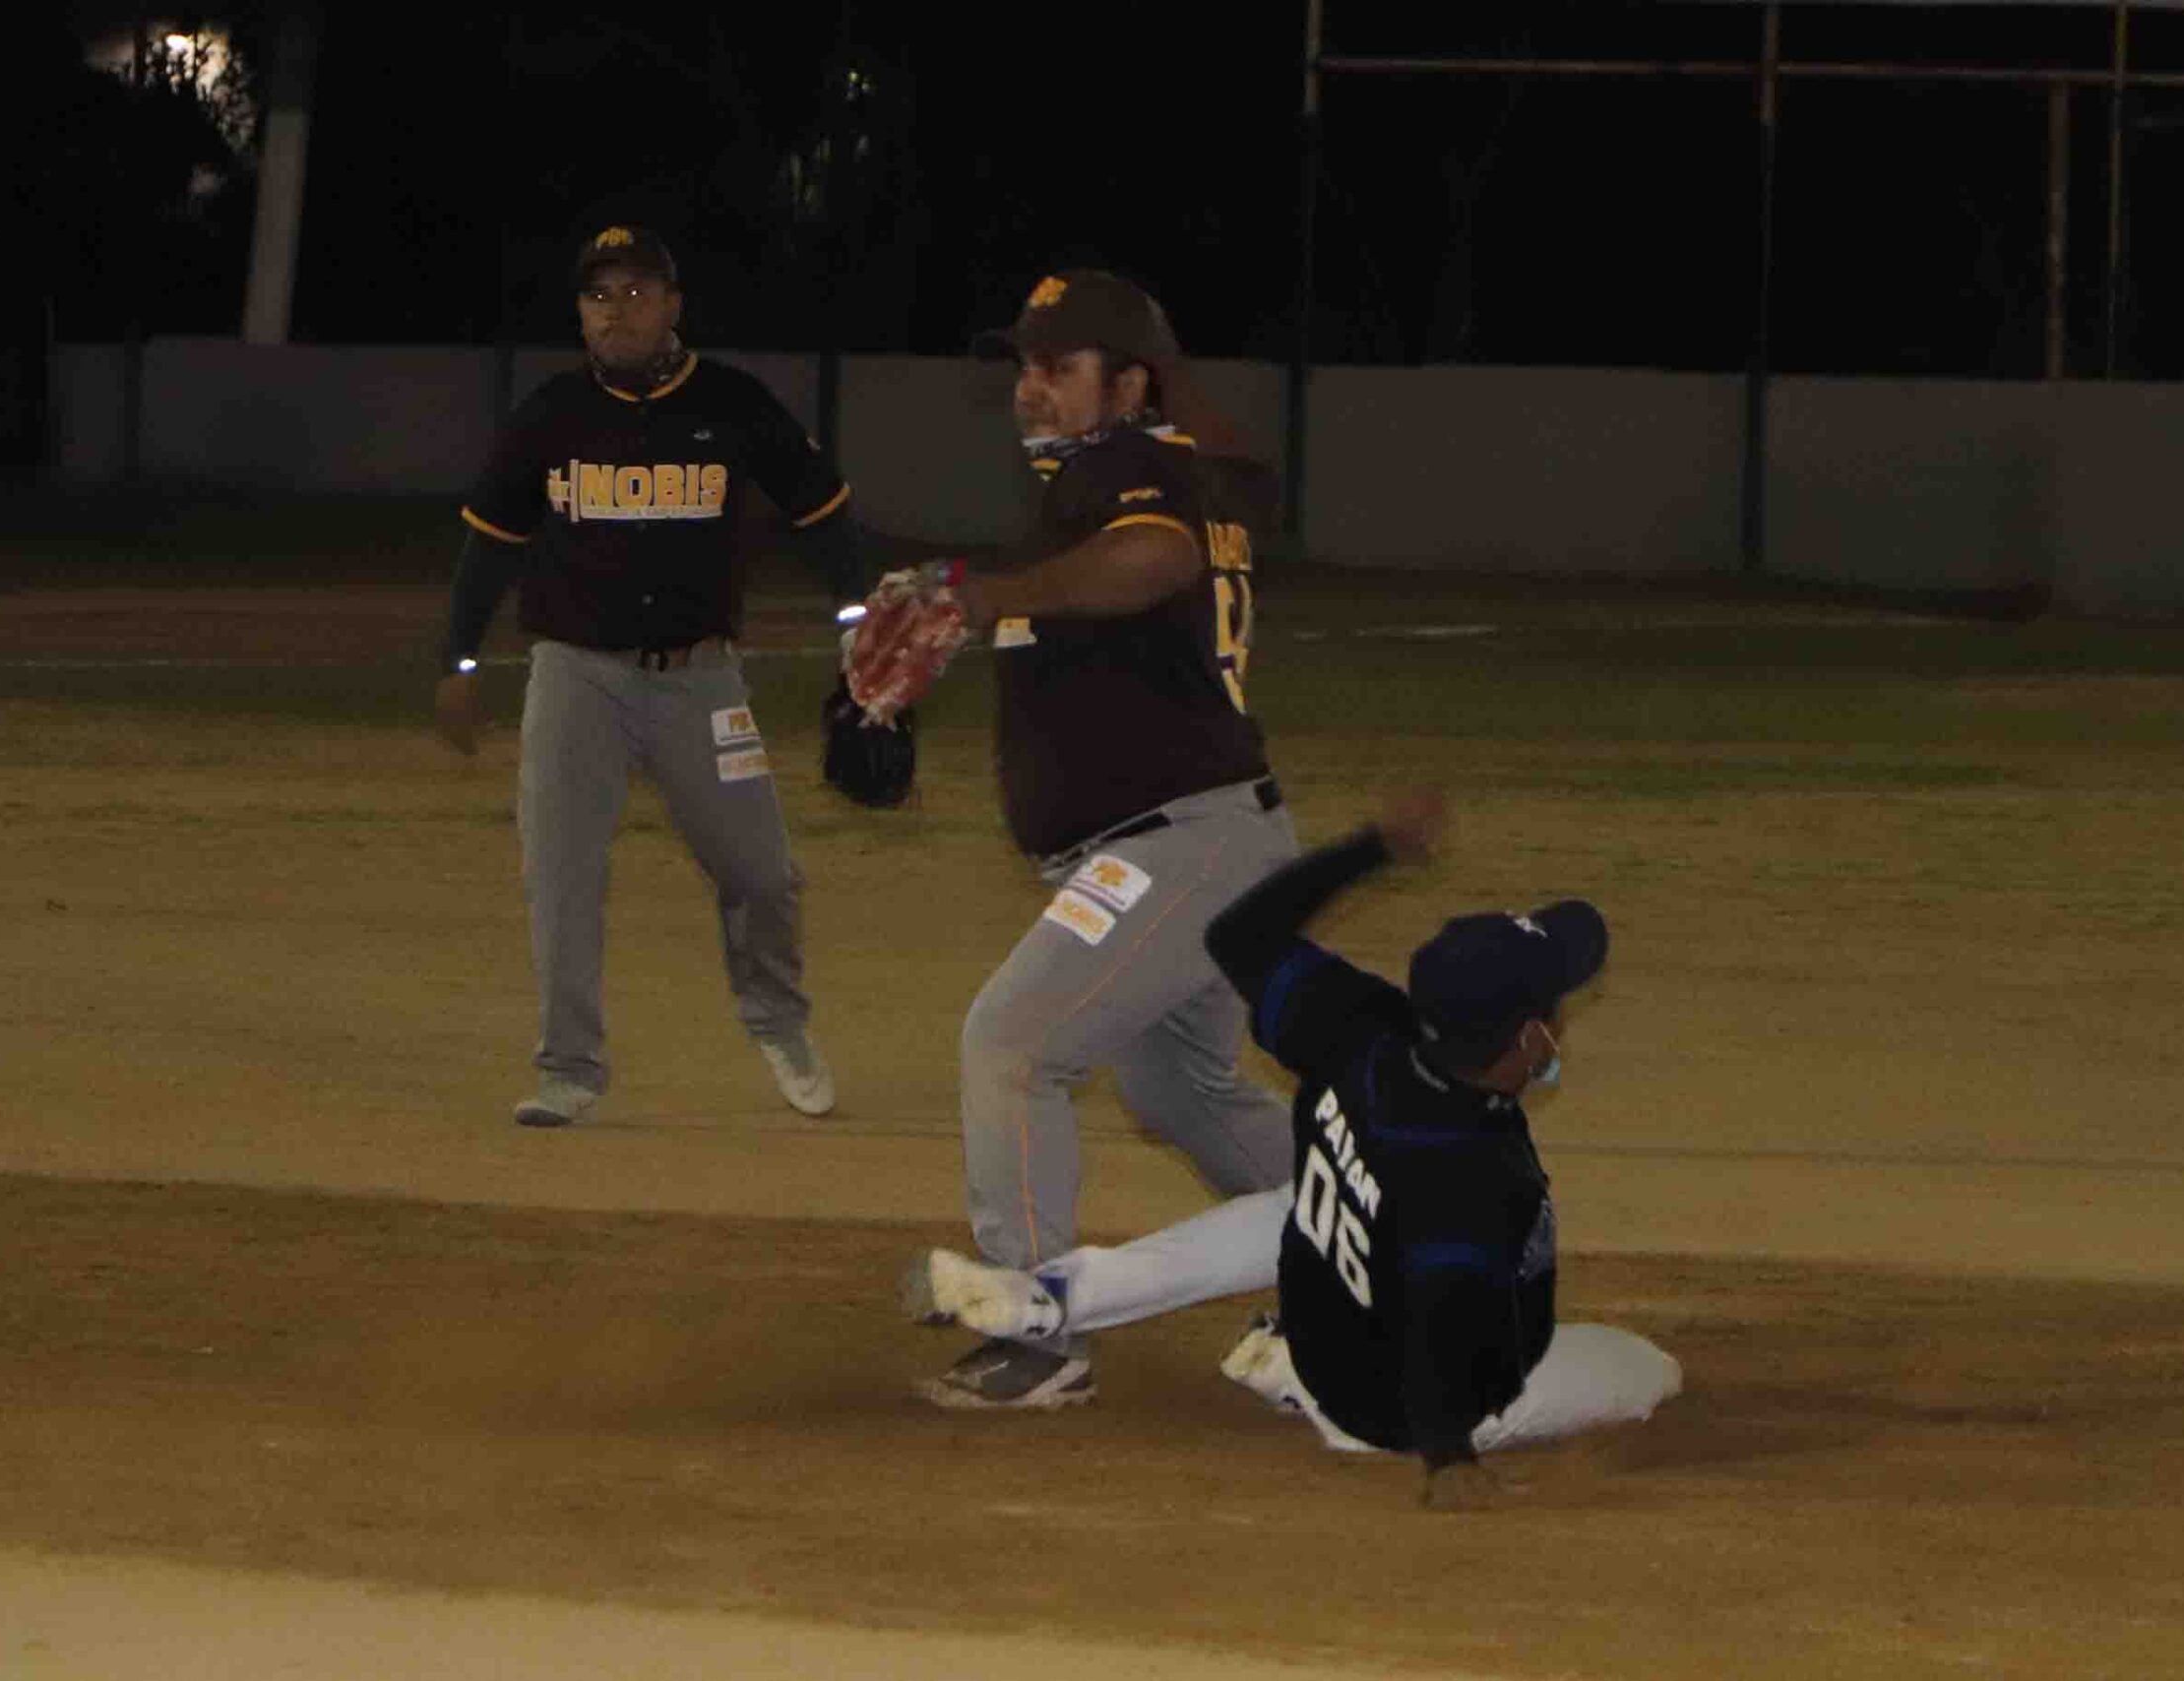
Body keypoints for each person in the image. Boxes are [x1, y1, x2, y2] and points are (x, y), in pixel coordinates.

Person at [901, 791, 1683, 1510]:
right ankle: (1301, 1381)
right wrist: (1450, 1460)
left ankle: (1054, 1297)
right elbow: (1445, 1329)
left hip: (1328, 1308)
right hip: (1391, 1407)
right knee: (1649, 1371)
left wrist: (1370, 849)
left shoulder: (1364, 1026)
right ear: (1530, 1039)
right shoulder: (1478, 1170)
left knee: (1291, 1211)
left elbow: (1238, 934)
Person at [908, 269, 1300, 1409]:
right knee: (1180, 1089)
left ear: (1129, 385)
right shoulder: (1181, 469)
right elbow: (1239, 486)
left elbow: (1157, 558)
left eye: (1058, 366)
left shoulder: (1121, 468)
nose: (1029, 388)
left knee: (1014, 1042)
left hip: (1176, 843)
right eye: (1023, 366)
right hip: (1206, 837)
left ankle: (1038, 1333)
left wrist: (989, 596)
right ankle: (1379, 1247)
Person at [431, 223, 871, 1128]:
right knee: (561, 875)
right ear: (579, 314)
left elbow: (824, 514)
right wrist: (458, 659)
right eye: (599, 295)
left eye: (636, 292)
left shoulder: (733, 403)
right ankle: (568, 1069)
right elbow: (490, 547)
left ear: (673, 305)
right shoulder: (551, 415)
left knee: (761, 872)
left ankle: (778, 1021)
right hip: (574, 676)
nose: (616, 310)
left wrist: (859, 626)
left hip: (699, 681)